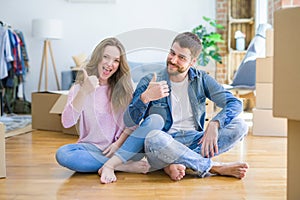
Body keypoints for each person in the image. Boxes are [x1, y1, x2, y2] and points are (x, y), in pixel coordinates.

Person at [99, 32, 249, 183]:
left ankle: (176, 162)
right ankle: (212, 167)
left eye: (181, 57)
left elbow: (235, 103)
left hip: (195, 140)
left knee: (240, 126)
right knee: (153, 137)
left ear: (193, 62)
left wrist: (215, 123)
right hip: (163, 142)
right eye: (172, 53)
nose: (173, 60)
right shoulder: (151, 80)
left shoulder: (201, 80)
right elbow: (130, 121)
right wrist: (146, 97)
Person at [55, 37, 150, 183]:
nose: (110, 64)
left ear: (120, 65)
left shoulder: (125, 87)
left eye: (116, 60)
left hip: (122, 148)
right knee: (63, 154)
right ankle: (120, 166)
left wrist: (117, 145)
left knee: (150, 123)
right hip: (92, 149)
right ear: (97, 58)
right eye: (106, 57)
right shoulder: (80, 88)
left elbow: (133, 123)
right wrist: (84, 92)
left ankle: (115, 162)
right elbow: (67, 122)